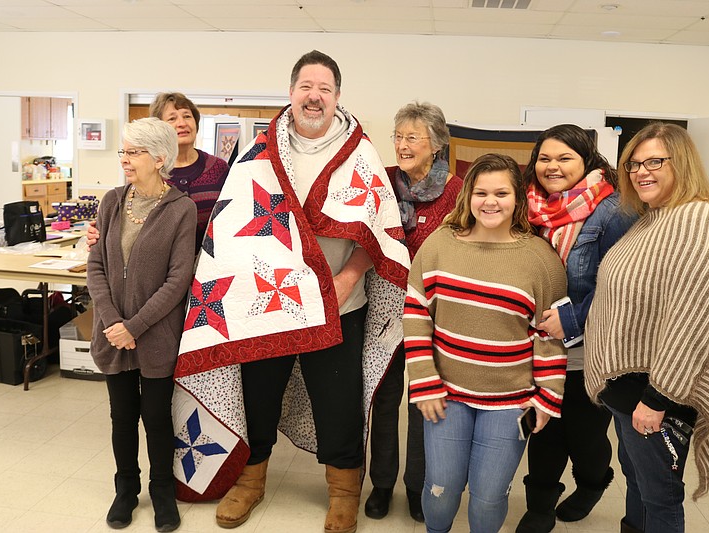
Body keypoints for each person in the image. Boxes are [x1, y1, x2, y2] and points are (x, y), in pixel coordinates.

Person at [170, 50, 409, 533]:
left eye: (324, 88)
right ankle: (250, 482)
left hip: (340, 304)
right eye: (306, 86)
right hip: (267, 306)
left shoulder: (360, 153)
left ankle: (343, 492)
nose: (314, 96)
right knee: (259, 395)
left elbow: (381, 231)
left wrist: (348, 278)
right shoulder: (259, 152)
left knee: (338, 400)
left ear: (337, 96)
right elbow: (232, 228)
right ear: (292, 92)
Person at [584, 122, 709, 533]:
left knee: (660, 497)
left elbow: (695, 319)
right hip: (629, 390)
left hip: (657, 395)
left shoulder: (700, 221)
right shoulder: (651, 220)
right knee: (638, 486)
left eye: (654, 161)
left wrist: (658, 397)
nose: (641, 172)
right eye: (633, 164)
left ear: (682, 164)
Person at [405, 153, 568, 533]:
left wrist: (547, 398)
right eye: (480, 192)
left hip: (511, 403)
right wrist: (424, 383)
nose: (490, 202)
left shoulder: (540, 260)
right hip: (445, 395)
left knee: (489, 495)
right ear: (468, 196)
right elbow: (415, 315)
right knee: (442, 489)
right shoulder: (440, 244)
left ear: (517, 199)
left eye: (501, 193)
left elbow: (548, 337)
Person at [516, 124, 638, 532]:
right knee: (545, 431)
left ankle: (591, 483)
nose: (552, 167)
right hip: (538, 346)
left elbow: (622, 286)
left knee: (586, 439)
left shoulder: (614, 210)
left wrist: (570, 318)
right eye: (545, 158)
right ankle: (539, 507)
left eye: (564, 158)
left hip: (590, 349)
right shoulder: (525, 207)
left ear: (586, 160)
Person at [87, 117, 197, 532]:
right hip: (113, 333)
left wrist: (135, 325)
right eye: (123, 152)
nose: (124, 160)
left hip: (155, 336)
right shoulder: (112, 201)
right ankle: (126, 491)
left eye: (133, 153)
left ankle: (162, 492)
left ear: (159, 158)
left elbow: (178, 280)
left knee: (156, 417)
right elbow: (95, 266)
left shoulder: (181, 209)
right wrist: (114, 322)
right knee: (121, 417)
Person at [365, 102, 463, 523]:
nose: (402, 146)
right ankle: (382, 484)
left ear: (436, 144)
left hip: (435, 311)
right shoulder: (382, 183)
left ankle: (417, 485)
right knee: (385, 396)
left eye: (412, 138)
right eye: (398, 136)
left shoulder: (459, 190)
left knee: (425, 398)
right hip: (385, 307)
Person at [88, 92, 229, 252]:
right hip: (162, 267)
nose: (182, 123)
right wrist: (100, 233)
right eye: (172, 118)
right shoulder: (148, 169)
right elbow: (130, 221)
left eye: (187, 116)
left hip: (211, 265)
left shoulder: (218, 168)